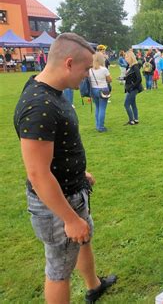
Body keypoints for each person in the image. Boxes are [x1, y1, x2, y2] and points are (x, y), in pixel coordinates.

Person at [13, 33, 117, 303]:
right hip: (55, 206)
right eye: (85, 69)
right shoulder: (38, 105)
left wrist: (78, 174)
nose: (87, 75)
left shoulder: (53, 92)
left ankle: (93, 286)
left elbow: (59, 146)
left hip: (73, 189)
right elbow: (37, 173)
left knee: (83, 240)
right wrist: (70, 219)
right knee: (59, 270)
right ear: (69, 63)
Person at [89, 53, 112, 132]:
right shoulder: (104, 69)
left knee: (97, 107)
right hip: (103, 89)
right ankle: (101, 127)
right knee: (102, 108)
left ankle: (97, 125)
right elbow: (110, 80)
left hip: (93, 89)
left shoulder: (90, 69)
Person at [124, 50, 143, 125]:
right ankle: (136, 119)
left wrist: (132, 86)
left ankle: (131, 120)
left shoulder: (135, 66)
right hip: (130, 87)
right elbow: (131, 76)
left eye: (126, 57)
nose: (125, 58)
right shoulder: (130, 66)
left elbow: (139, 79)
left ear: (130, 57)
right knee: (133, 104)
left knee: (126, 104)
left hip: (133, 89)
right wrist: (124, 78)